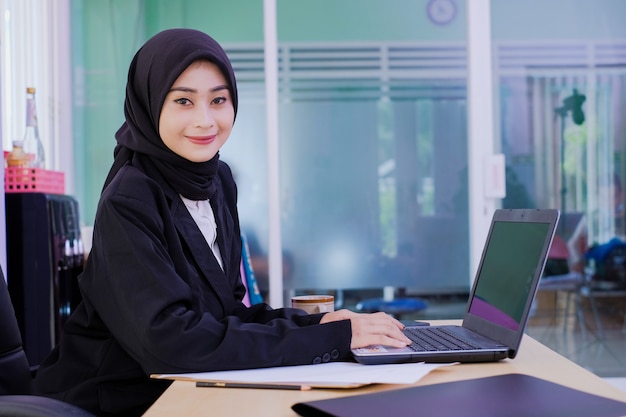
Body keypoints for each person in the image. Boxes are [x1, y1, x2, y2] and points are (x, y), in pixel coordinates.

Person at [33, 28, 410, 416]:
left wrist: (321, 325)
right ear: (149, 104)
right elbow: (171, 344)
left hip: (187, 389)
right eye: (183, 101)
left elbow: (226, 314)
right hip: (115, 401)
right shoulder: (129, 199)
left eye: (218, 99)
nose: (205, 120)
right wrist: (331, 337)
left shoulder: (217, 181)